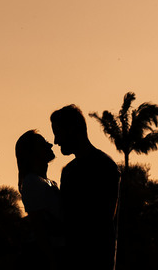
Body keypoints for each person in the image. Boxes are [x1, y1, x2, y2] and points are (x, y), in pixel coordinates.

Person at [50, 105, 120, 270]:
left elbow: (105, 217)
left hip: (96, 260)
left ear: (72, 129)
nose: (56, 141)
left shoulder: (104, 166)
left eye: (58, 133)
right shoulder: (68, 171)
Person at [16, 129, 64, 267]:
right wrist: (52, 261)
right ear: (31, 153)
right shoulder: (32, 182)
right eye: (43, 144)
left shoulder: (48, 182)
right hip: (52, 255)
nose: (50, 146)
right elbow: (39, 228)